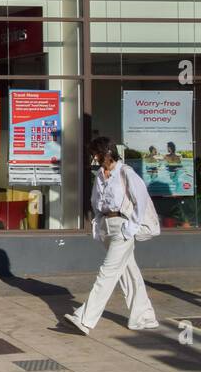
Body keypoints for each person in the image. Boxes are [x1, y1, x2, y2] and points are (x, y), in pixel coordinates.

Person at [64, 138, 160, 335]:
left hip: (123, 227)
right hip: (107, 227)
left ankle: (85, 319)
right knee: (129, 273)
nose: (94, 157)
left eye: (96, 153)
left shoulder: (126, 173)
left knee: (107, 273)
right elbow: (96, 202)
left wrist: (130, 228)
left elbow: (140, 202)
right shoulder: (100, 175)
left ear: (107, 152)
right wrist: (98, 224)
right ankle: (144, 317)